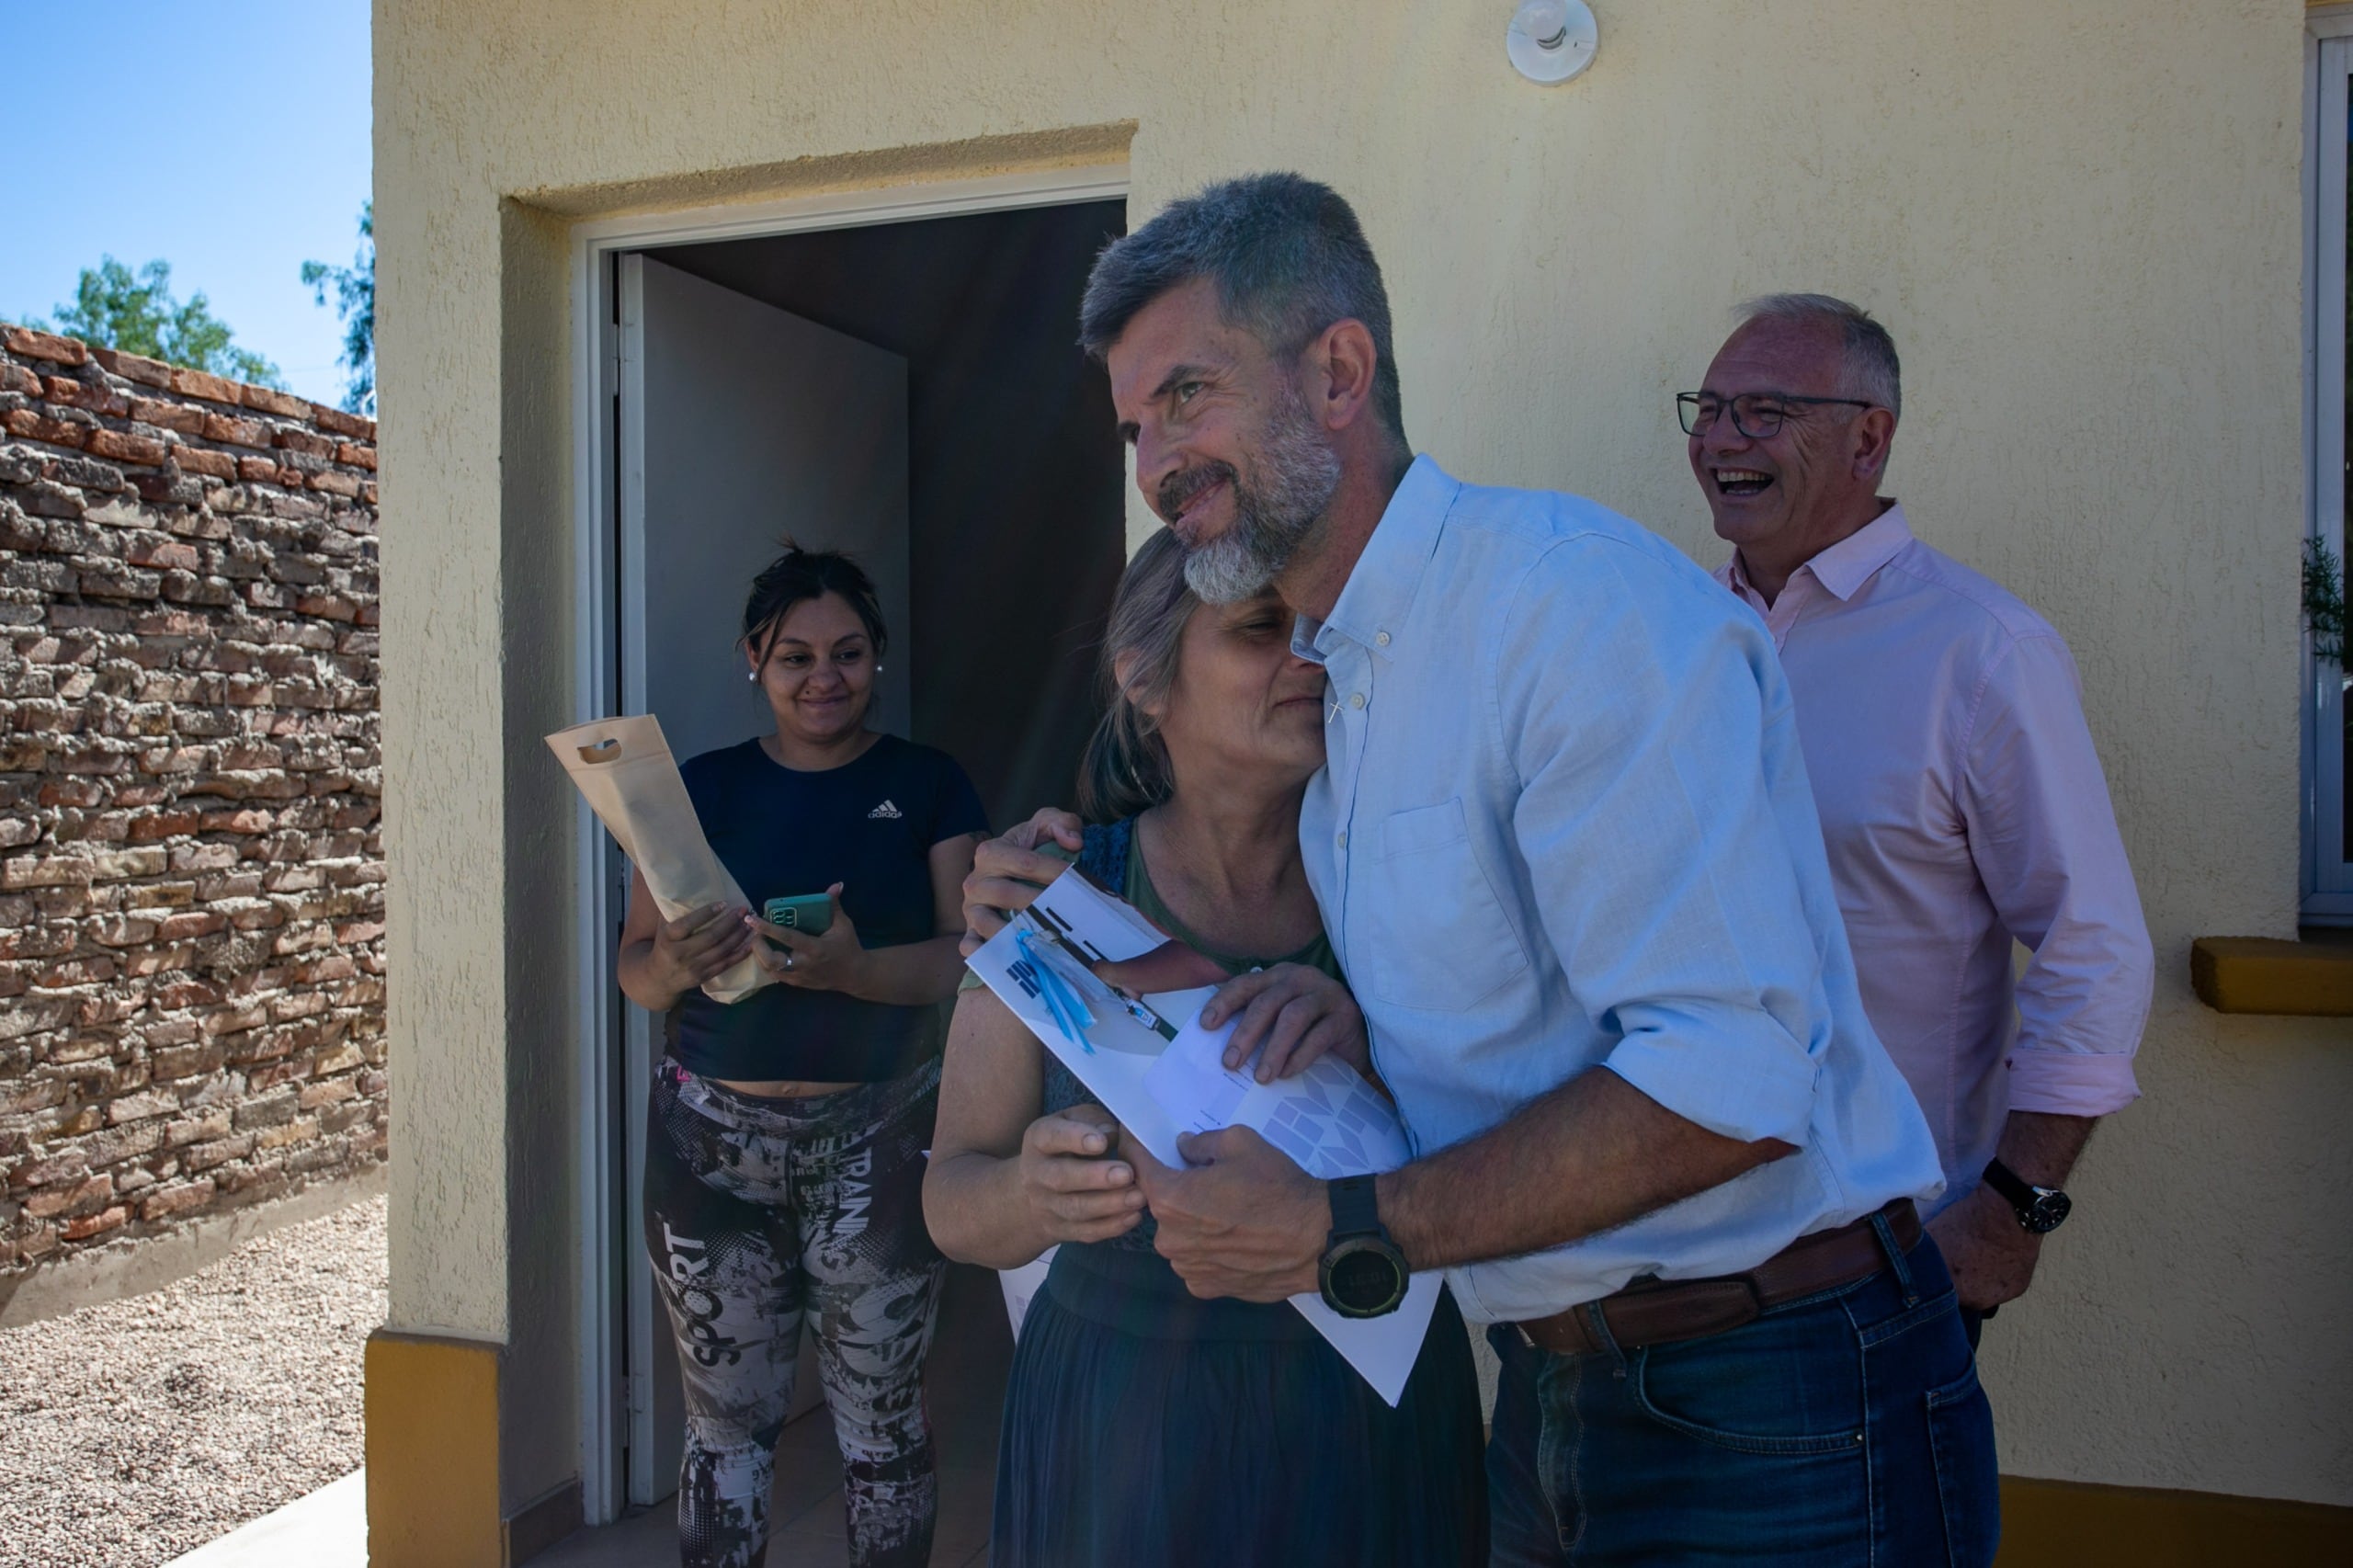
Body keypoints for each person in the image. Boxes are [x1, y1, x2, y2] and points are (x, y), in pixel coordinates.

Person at [969, 174, 1995, 1565]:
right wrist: (1367, 1033)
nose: (1157, 464)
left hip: (1777, 1402)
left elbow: (1736, 1075)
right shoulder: (1342, 701)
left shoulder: (1570, 610)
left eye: (1192, 396)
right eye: (1139, 425)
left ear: (1340, 370)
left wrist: (1340, 1225)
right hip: (1546, 1396)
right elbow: (1517, 1007)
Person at [924, 528, 1485, 1567]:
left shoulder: (1409, 875)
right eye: (1262, 630)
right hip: (1124, 1416)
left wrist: (1363, 1051)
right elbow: (953, 1198)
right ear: (1144, 678)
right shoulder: (1051, 894)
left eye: (1324, 630)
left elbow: (1503, 1132)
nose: (1310, 658)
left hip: (1365, 1392)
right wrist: (1029, 1197)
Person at [1684, 294, 2154, 1343]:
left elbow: (2095, 946)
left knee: (1884, 1516)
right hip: (1660, 1241)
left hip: (1876, 1253)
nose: (1719, 440)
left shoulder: (1980, 651)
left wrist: (2013, 1209)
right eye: (1707, 409)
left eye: (1762, 411)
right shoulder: (1673, 633)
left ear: (1868, 436)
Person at [617, 544, 985, 1568]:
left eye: (848, 653)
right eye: (795, 656)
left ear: (876, 658)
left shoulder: (929, 784)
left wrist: (852, 971)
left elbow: (967, 959)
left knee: (879, 1425)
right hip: (705, 1150)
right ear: (754, 658)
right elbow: (635, 971)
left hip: (879, 1140)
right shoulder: (700, 788)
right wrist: (676, 962)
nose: (824, 676)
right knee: (725, 1428)